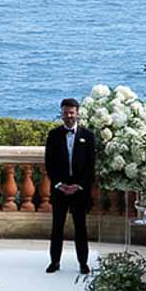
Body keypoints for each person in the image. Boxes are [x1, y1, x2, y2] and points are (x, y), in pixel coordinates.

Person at [44, 96, 96, 276]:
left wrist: (78, 186)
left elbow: (91, 166)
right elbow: (49, 164)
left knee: (80, 228)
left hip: (79, 191)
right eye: (65, 113)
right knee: (57, 227)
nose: (68, 116)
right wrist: (60, 184)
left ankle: (83, 263)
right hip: (59, 190)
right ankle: (54, 262)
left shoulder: (88, 136)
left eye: (71, 113)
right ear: (61, 114)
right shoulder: (53, 135)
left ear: (77, 114)